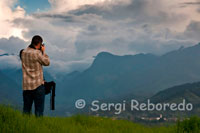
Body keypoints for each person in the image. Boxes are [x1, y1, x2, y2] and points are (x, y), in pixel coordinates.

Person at [20, 35, 50, 117]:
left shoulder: (23, 52)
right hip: (38, 86)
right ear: (40, 44)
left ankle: (25, 127)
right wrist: (43, 52)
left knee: (26, 111)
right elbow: (47, 62)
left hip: (26, 86)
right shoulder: (37, 53)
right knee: (39, 112)